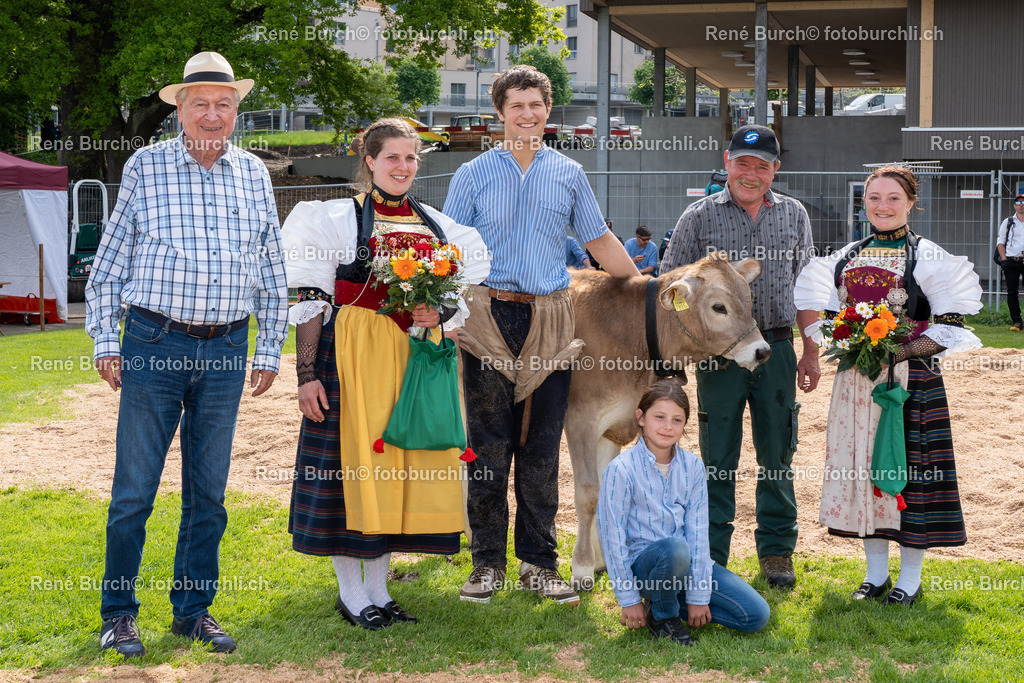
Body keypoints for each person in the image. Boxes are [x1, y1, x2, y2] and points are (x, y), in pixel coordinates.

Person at [86, 51, 288, 657]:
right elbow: (109, 264)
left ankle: (193, 612)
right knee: (134, 491)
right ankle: (118, 614)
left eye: (223, 104)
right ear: (178, 108)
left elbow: (272, 269)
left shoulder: (255, 174)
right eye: (199, 103)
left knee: (209, 493)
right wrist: (105, 340)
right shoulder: (145, 168)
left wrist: (269, 347)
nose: (212, 114)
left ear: (235, 111)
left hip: (227, 347)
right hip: (153, 342)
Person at [281, 118, 490, 629]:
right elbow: (311, 298)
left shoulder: (439, 226)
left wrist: (437, 314)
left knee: (397, 469)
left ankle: (380, 591)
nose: (403, 166)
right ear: (370, 161)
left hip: (415, 361)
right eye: (392, 157)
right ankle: (352, 594)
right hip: (353, 356)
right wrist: (307, 374)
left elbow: (454, 299)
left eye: (411, 158)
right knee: (353, 470)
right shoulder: (332, 219)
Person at [443, 65, 638, 607]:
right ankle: (486, 565)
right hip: (488, 318)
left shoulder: (570, 173)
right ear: (499, 113)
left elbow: (600, 243)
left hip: (553, 319)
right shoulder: (473, 174)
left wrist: (647, 293)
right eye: (516, 106)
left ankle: (538, 563)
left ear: (548, 112)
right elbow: (449, 252)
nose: (526, 115)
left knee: (541, 445)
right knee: (488, 445)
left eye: (536, 105)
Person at [794, 165, 982, 606]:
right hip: (857, 382)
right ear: (864, 203)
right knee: (864, 471)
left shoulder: (927, 256)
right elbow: (823, 320)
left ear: (911, 202)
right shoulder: (845, 256)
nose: (883, 205)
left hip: (911, 382)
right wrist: (846, 338)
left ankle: (910, 580)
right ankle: (875, 575)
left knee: (909, 473)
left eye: (893, 197)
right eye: (874, 197)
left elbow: (949, 326)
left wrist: (898, 351)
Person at [660, 124, 818, 589]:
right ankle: (713, 555)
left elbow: (807, 287)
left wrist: (810, 350)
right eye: (743, 163)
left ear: (776, 170)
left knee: (777, 454)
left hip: (777, 345)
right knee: (716, 459)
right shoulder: (699, 216)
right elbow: (670, 289)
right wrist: (675, 356)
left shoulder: (794, 215)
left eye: (762, 166)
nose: (751, 173)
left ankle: (776, 552)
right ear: (727, 162)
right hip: (718, 356)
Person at [597, 378, 770, 646]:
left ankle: (667, 603)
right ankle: (664, 618)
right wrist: (629, 598)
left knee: (756, 615)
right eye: (660, 417)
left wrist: (698, 597)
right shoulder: (621, 470)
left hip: (686, 565)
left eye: (677, 420)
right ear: (641, 418)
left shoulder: (692, 466)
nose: (668, 426)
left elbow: (699, 533)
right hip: (645, 567)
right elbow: (612, 537)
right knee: (675, 549)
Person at [997, 194, 1024, 331]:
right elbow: (1000, 242)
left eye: (1023, 202)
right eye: (1018, 202)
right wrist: (1004, 260)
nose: (1021, 204)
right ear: (1014, 205)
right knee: (1012, 292)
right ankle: (1017, 322)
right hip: (1011, 261)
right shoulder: (1008, 221)